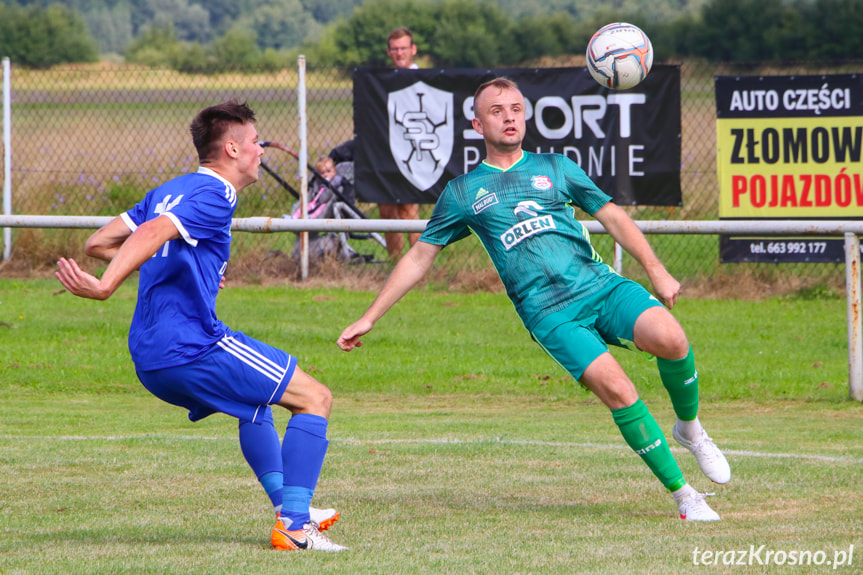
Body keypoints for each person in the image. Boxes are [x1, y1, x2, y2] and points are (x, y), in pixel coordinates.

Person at [338, 78, 731, 522]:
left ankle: (691, 430)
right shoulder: (463, 192)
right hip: (550, 314)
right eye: (496, 110)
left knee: (672, 338)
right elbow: (419, 258)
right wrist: (370, 316)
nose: (508, 117)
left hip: (599, 286)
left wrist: (656, 269)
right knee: (618, 390)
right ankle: (684, 495)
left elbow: (614, 217)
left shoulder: (557, 166)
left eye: (515, 108)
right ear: (476, 123)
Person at [55, 100, 348, 552]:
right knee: (315, 398)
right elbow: (150, 236)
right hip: (191, 346)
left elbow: (100, 241)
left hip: (150, 357)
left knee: (257, 404)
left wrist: (190, 264)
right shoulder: (217, 193)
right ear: (231, 148)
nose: (261, 151)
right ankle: (293, 527)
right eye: (255, 142)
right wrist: (105, 287)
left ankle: (290, 507)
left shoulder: (170, 189)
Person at [380, 26, 421, 260]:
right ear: (389, 52)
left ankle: (416, 266)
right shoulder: (383, 83)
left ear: (413, 49)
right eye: (395, 49)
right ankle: (393, 263)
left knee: (408, 209)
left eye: (403, 48)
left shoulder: (424, 80)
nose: (399, 53)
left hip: (414, 155)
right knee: (387, 211)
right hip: (386, 154)